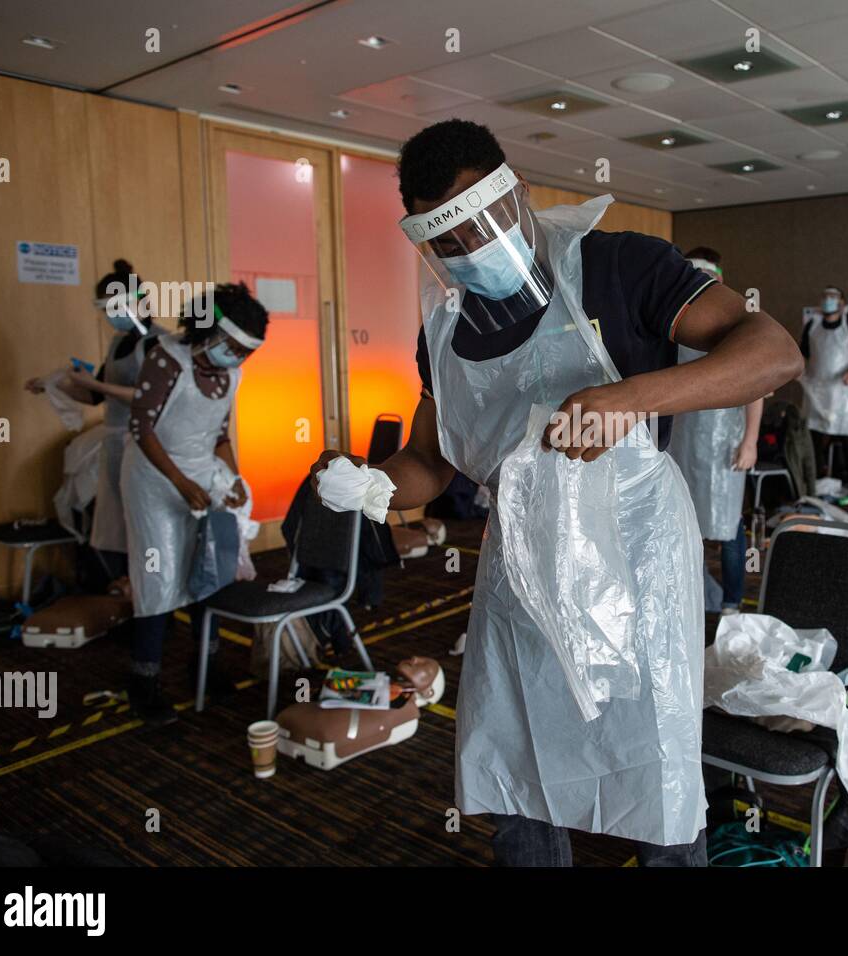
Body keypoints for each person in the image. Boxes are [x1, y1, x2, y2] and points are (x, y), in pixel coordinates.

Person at [310, 120, 802, 865]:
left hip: (635, 552)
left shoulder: (618, 266)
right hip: (521, 567)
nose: (474, 246)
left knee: (655, 766)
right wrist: (374, 483)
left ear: (522, 197)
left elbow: (771, 351)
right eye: (451, 239)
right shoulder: (443, 330)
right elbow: (430, 461)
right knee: (518, 768)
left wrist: (630, 397)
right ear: (427, 245)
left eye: (486, 218)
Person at [121, 283, 268, 725]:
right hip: (153, 477)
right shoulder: (167, 358)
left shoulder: (232, 374)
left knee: (209, 572)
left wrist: (235, 479)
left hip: (202, 473)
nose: (239, 359)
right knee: (159, 577)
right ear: (210, 330)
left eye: (247, 353)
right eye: (234, 347)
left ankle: (205, 665)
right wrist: (180, 482)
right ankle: (143, 680)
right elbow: (141, 428)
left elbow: (220, 436)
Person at [24, 259, 165, 578]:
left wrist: (95, 384)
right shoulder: (118, 344)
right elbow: (96, 397)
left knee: (146, 528)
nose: (111, 316)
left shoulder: (158, 343)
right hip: (114, 443)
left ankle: (154, 605)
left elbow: (152, 395)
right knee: (114, 534)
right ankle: (123, 596)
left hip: (146, 444)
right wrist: (56, 386)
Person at [667, 247, 762, 615]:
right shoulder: (672, 323)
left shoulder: (738, 324)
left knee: (727, 527)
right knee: (683, 522)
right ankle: (693, 594)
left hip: (726, 441)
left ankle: (732, 602)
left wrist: (750, 441)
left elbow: (755, 389)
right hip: (682, 440)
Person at [798, 285, 848, 484]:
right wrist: (798, 370)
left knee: (846, 434)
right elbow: (803, 353)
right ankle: (817, 477)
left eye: (833, 296)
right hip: (816, 389)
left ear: (842, 302)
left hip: (842, 390)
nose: (828, 299)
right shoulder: (812, 325)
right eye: (825, 296)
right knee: (815, 435)